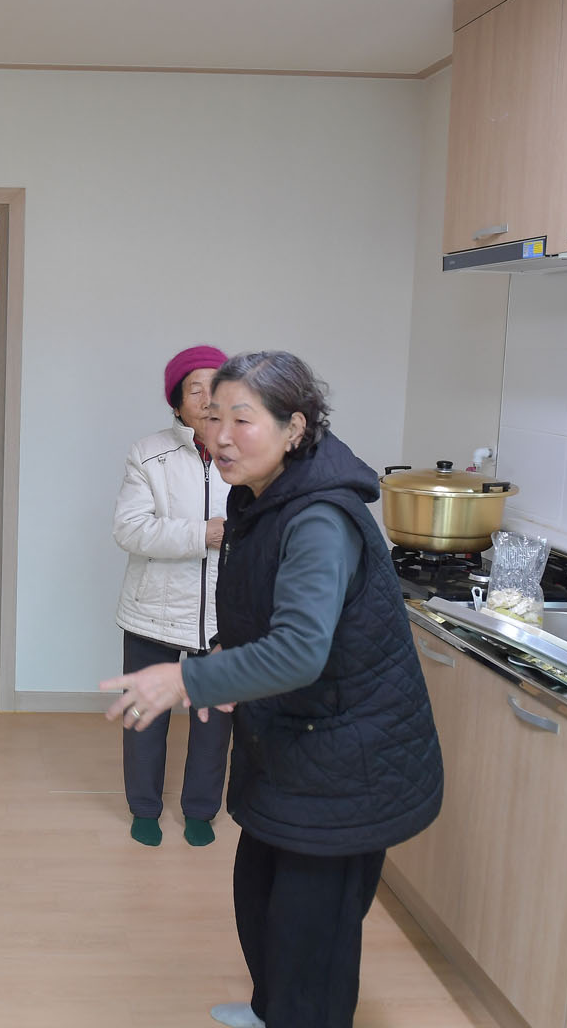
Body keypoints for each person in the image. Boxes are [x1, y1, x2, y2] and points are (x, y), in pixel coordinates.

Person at [100, 350, 443, 1028]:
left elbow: (299, 649)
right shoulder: (262, 497)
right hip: (297, 741)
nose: (222, 435)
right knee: (261, 897)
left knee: (312, 938)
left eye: (243, 419)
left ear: (295, 427)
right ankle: (269, 1011)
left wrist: (187, 677)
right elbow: (271, 611)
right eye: (213, 416)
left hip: (348, 759)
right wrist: (232, 656)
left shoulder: (319, 519)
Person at [112, 345, 232, 847]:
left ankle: (200, 811)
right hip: (152, 612)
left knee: (214, 720)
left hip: (224, 615)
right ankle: (144, 809)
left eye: (215, 387)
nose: (206, 399)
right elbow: (130, 529)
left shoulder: (250, 451)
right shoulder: (148, 453)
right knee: (145, 714)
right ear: (177, 403)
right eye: (194, 389)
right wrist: (204, 534)